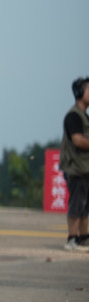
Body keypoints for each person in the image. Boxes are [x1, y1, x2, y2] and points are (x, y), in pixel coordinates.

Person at [61, 77, 89, 252]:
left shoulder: (84, 116)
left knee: (85, 206)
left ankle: (83, 238)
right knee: (77, 204)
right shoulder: (73, 116)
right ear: (80, 93)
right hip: (76, 168)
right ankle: (72, 239)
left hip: (85, 168)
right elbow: (78, 140)